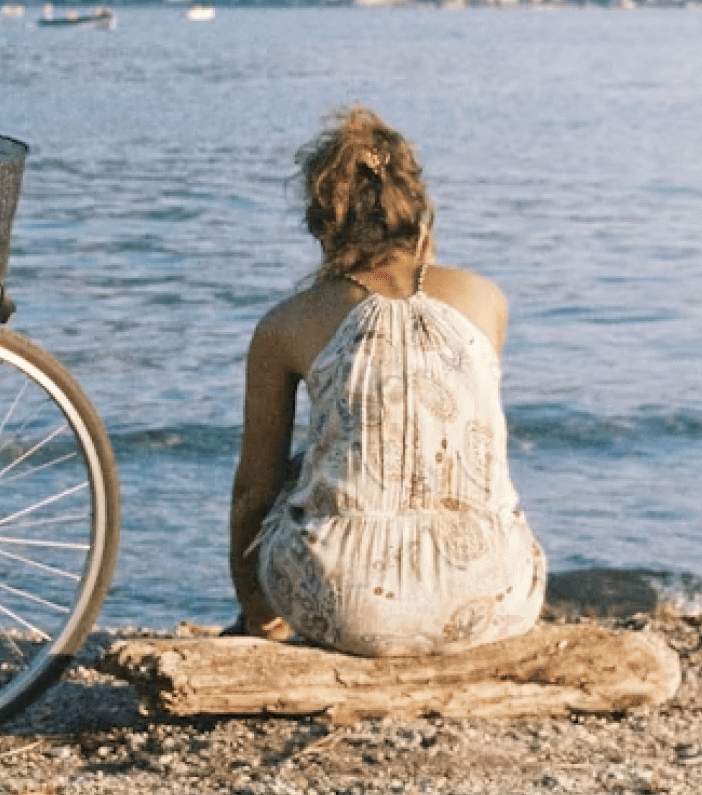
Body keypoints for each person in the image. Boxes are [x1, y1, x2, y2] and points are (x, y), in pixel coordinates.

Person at [229, 107, 545, 655]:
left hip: (350, 608)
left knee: (290, 471)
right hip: (496, 596)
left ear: (321, 224)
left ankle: (277, 625)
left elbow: (252, 490)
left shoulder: (285, 324)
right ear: (421, 213)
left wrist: (257, 611)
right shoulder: (484, 298)